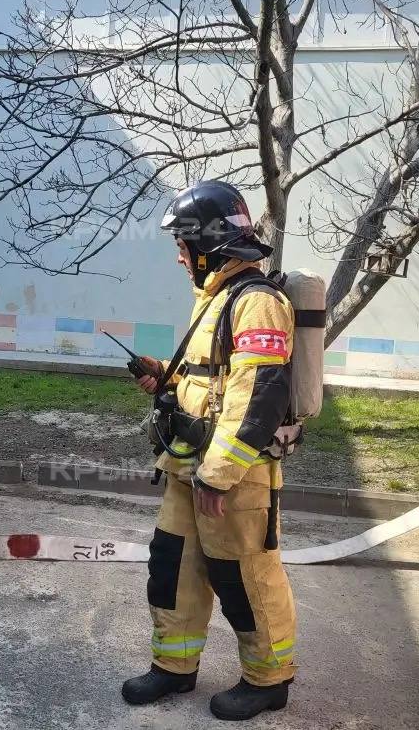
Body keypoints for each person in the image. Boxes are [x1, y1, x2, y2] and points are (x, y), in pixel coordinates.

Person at [121, 180, 297, 721]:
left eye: (183, 245)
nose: (179, 257)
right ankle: (175, 667)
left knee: (244, 578)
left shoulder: (258, 302)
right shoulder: (217, 297)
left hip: (232, 479)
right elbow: (214, 383)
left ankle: (269, 679)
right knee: (174, 568)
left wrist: (219, 475)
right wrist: (168, 382)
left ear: (210, 244)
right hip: (186, 469)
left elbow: (257, 395)